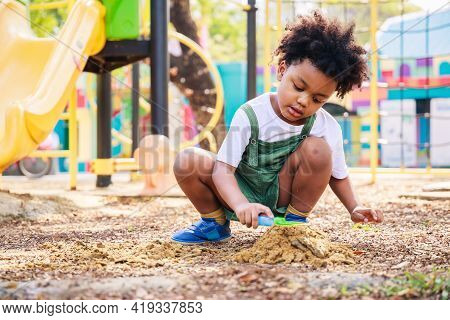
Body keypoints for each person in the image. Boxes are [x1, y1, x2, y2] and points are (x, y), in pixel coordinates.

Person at [171, 11, 383, 245]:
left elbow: (338, 176)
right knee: (187, 160)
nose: (304, 101)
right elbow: (223, 170)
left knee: (318, 150)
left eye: (318, 99)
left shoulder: (325, 125)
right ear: (282, 70)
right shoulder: (251, 113)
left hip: (284, 192)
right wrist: (241, 204)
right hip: (238, 188)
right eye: (299, 87)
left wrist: (354, 207)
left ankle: (294, 224)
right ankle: (214, 224)